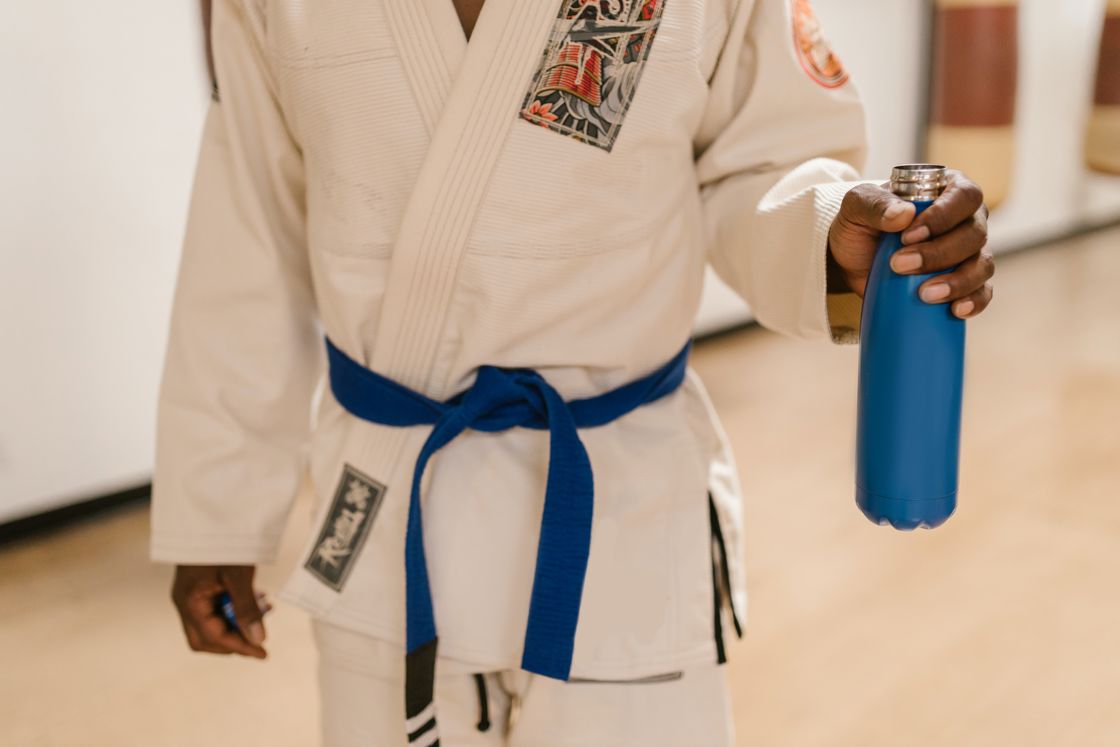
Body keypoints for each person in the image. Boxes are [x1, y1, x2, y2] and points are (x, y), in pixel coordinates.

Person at [153, 0, 995, 745]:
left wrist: (830, 239)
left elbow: (760, 168)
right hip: (388, 502)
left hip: (621, 510)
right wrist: (217, 513)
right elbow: (247, 227)